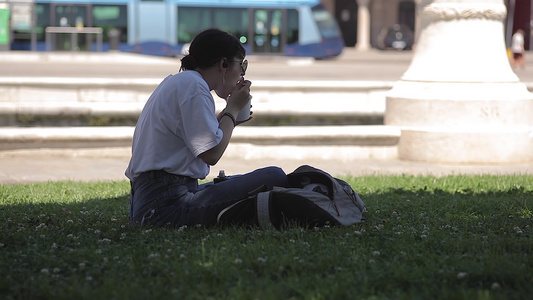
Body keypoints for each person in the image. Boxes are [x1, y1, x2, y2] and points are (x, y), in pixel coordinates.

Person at [125, 29, 289, 227]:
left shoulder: (182, 82)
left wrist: (229, 119)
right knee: (274, 177)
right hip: (164, 207)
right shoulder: (194, 87)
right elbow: (211, 154)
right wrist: (233, 109)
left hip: (153, 200)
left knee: (247, 180)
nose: (242, 74)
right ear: (224, 64)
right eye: (242, 65)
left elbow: (201, 140)